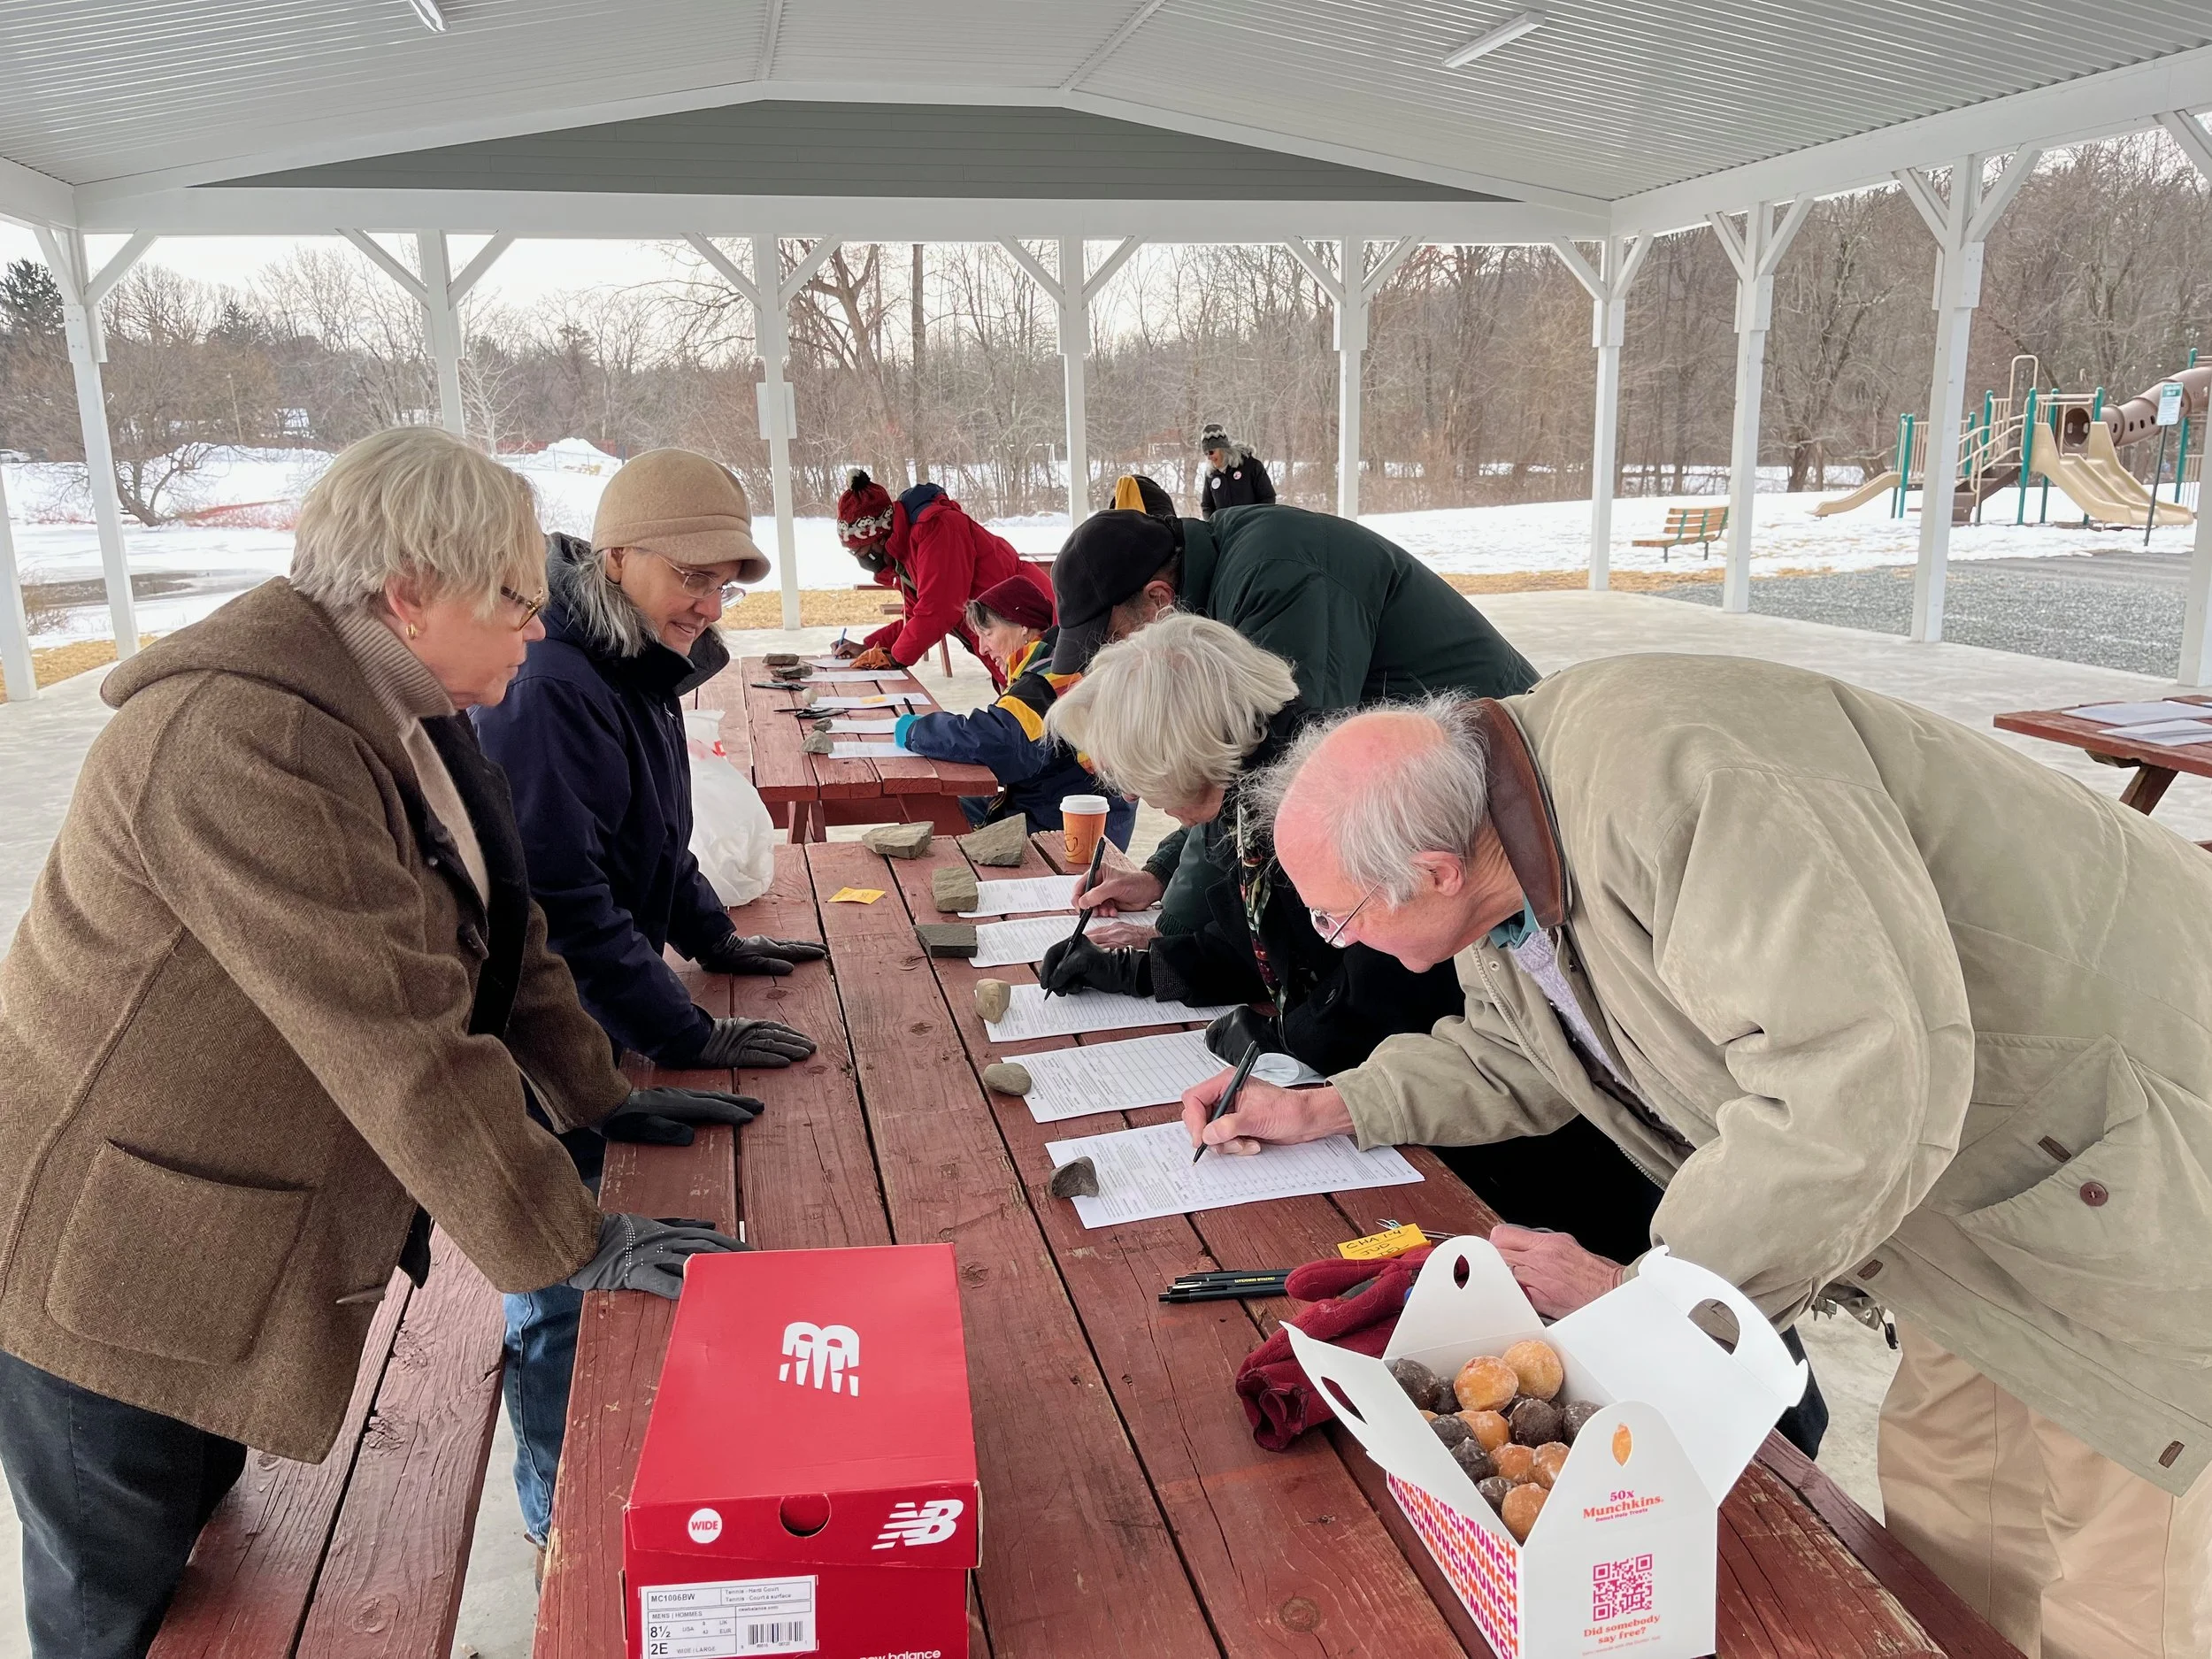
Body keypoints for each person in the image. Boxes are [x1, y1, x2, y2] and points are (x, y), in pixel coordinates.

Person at [1184, 657, 2212, 1659]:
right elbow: (1524, 1050)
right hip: (1969, 1203)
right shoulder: (1501, 828)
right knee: (1955, 1530)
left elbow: (1846, 1089)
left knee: (2117, 1590)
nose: (1335, 939)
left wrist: (1652, 1303)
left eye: (1338, 917)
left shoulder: (1684, 786)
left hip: (2128, 1174)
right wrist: (1324, 1107)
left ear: (1435, 871)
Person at [0, 427, 754, 1659]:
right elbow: (396, 1029)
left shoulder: (401, 702)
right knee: (121, 1602)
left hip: (212, 1235)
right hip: (118, 1252)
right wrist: (569, 1237)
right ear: (410, 592)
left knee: (204, 1560)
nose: (538, 627)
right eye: (514, 600)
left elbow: (508, 930)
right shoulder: (244, 737)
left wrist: (598, 1092)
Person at [469, 448, 823, 1556]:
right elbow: (563, 899)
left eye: (726, 585)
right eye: (692, 577)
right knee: (561, 1264)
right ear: (617, 557)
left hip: (605, 1014)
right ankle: (556, 1514)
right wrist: (683, 1028)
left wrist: (715, 940)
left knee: (639, 1246)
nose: (709, 605)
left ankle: (635, 1474)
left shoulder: (634, 656)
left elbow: (657, 838)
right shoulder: (550, 683)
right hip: (543, 1030)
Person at [1046, 502, 1537, 938]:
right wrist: (1161, 874)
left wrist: (1174, 933)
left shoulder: (1276, 579)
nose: (1116, 664)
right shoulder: (1226, 574)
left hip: (1498, 780)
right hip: (1431, 776)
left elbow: (1283, 776)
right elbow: (1227, 778)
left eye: (1116, 640)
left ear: (1158, 599)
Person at [1040, 616, 1463, 1077]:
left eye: (1134, 771)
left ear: (1177, 750)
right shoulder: (1253, 784)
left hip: (1436, 1066)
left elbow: (1391, 980)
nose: (1129, 795)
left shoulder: (1329, 795)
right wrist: (1135, 971)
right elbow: (1259, 948)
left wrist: (1290, 1039)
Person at [888, 576, 1133, 846]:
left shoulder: (1046, 677)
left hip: (1063, 829)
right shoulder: (1053, 662)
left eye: (988, 633)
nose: (982, 648)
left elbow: (1002, 742)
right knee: (940, 807)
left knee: (934, 813)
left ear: (1022, 626)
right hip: (1069, 811)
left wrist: (916, 730)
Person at [833, 470, 1052, 687]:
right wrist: (872, 647)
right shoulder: (906, 554)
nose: (859, 557)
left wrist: (895, 658)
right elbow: (915, 619)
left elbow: (939, 608)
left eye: (859, 550)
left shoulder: (936, 527)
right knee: (1022, 697)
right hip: (1003, 632)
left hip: (1032, 623)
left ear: (879, 537)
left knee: (1043, 695)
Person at [1198, 422, 1275, 516]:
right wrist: (1213, 522)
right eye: (1206, 454)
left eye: (1211, 452)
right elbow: (1207, 506)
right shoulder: (1211, 475)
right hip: (1225, 525)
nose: (1209, 457)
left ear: (1223, 449)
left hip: (1251, 523)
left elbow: (1268, 498)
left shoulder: (1251, 466)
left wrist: (1257, 520)